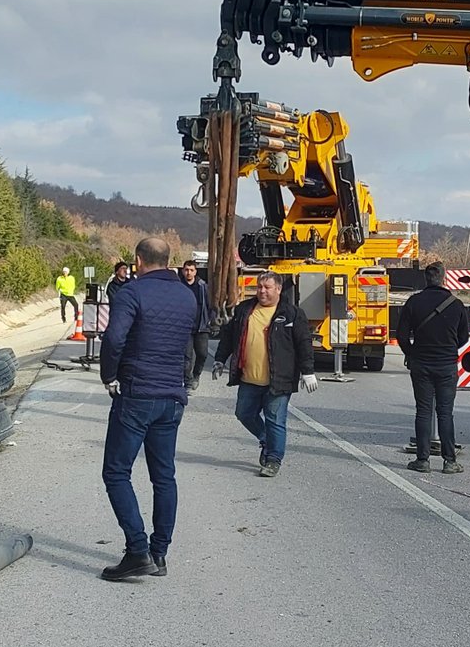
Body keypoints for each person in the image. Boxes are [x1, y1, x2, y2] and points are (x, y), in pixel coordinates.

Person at [97, 237, 201, 582]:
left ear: (139, 260)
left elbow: (114, 339)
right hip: (172, 397)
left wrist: (110, 376)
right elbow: (190, 345)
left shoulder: (131, 293)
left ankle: (138, 550)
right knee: (163, 475)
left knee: (115, 472)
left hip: (138, 394)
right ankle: (159, 553)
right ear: (168, 260)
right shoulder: (187, 296)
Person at [213, 272, 318, 478]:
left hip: (279, 380)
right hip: (249, 379)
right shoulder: (245, 310)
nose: (262, 291)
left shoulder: (292, 314)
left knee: (275, 420)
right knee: (243, 413)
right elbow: (228, 336)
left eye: (267, 287)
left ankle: (273, 460)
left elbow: (304, 344)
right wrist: (220, 358)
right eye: (260, 287)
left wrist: (308, 371)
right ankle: (266, 439)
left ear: (278, 289)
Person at [398, 260, 470, 473]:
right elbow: (463, 337)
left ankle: (423, 460)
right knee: (445, 413)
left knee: (423, 411)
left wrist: (412, 353)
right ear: (444, 279)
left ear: (425, 279)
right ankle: (449, 461)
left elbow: (401, 335)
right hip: (447, 365)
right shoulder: (456, 304)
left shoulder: (413, 302)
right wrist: (448, 348)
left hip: (421, 365)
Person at [178, 258, 213, 391]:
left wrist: (212, 321)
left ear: (195, 271)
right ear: (183, 271)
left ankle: (196, 375)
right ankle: (187, 382)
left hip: (201, 326)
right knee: (187, 357)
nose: (188, 272)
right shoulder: (179, 287)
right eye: (186, 270)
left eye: (191, 270)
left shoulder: (202, 286)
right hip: (185, 327)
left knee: (203, 354)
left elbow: (210, 305)